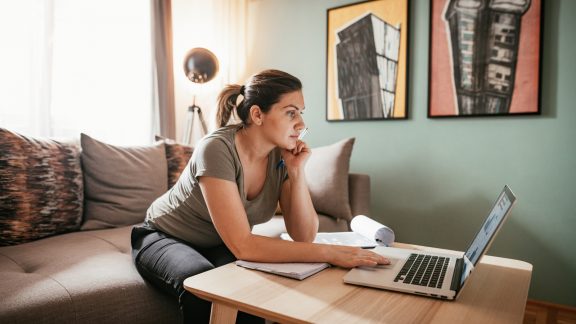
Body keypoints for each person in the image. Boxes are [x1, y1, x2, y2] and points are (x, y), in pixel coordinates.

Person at [131, 69, 390, 324]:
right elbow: (243, 245)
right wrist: (330, 253)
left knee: (250, 288)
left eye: (301, 113)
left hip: (216, 243)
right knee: (203, 285)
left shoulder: (281, 156)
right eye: (291, 112)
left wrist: (296, 172)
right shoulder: (216, 149)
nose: (301, 123)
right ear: (257, 114)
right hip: (163, 235)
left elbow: (304, 235)